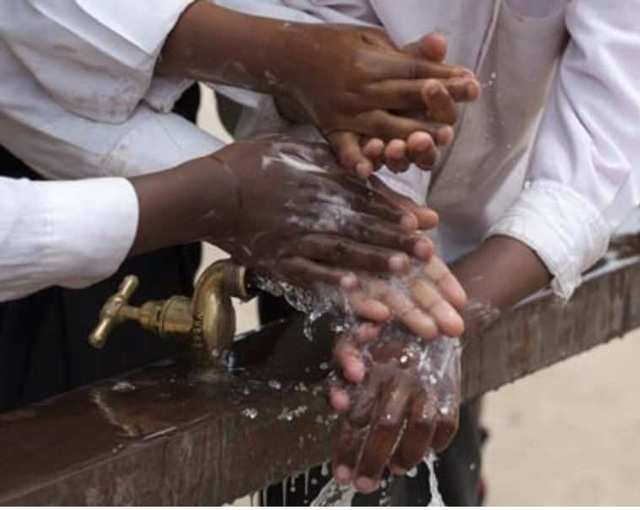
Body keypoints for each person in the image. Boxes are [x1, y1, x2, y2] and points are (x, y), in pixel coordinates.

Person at [210, 0, 640, 504]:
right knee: (333, 412)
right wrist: (404, 293)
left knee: (435, 435)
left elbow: (605, 135)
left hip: (493, 233)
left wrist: (433, 322)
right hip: (327, 202)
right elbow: (318, 64)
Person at [0, 0, 477, 410]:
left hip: (149, 149)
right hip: (75, 182)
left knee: (118, 398)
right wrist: (220, 194)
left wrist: (301, 70)